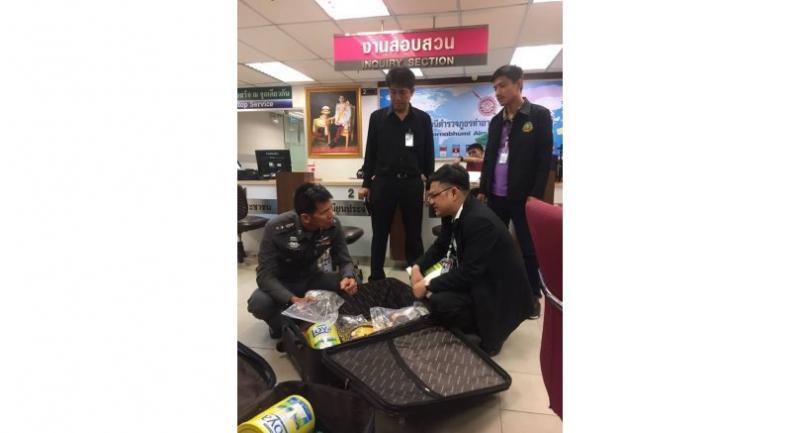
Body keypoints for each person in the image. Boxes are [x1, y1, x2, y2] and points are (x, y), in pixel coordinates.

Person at [410, 164, 534, 356]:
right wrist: (417, 267)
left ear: (453, 193)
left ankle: (484, 333)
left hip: (498, 293)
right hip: (481, 279)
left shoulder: (479, 221)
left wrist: (428, 285)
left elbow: (469, 272)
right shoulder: (452, 212)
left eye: (434, 195)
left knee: (441, 301)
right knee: (435, 296)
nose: (430, 201)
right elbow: (441, 246)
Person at [477, 65, 553, 318]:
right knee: (495, 245)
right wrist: (484, 188)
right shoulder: (496, 121)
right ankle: (500, 289)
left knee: (528, 247)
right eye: (495, 87)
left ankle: (533, 296)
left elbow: (544, 159)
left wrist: (536, 194)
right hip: (496, 196)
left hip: (523, 197)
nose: (498, 92)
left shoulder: (538, 115)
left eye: (503, 85)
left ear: (519, 83)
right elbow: (490, 157)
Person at [247, 183, 358, 338]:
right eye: (324, 212)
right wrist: (293, 299)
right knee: (259, 303)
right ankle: (284, 328)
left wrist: (348, 276)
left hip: (312, 277)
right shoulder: (276, 227)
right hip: (284, 282)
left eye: (331, 208)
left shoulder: (333, 224)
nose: (331, 214)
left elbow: (344, 260)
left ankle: (329, 321)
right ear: (306, 217)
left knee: (353, 282)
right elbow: (265, 276)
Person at [359, 66, 434, 281]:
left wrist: (430, 185)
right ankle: (376, 278)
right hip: (383, 183)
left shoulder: (422, 119)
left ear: (412, 92)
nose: (398, 97)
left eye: (402, 92)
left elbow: (428, 154)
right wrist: (366, 183)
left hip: (412, 184)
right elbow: (370, 152)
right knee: (380, 233)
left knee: (414, 235)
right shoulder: (377, 118)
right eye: (393, 92)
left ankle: (416, 279)